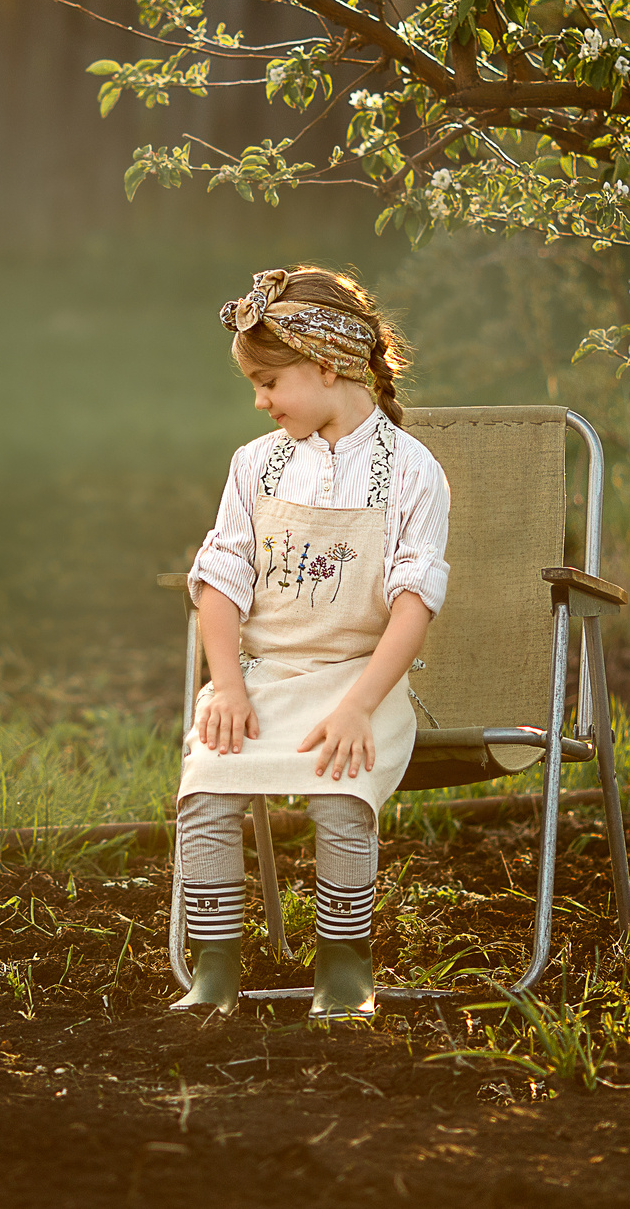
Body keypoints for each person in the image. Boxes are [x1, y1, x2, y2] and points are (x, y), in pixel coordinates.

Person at [173, 265, 450, 1020]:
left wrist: (359, 705)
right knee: (206, 788)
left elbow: (414, 603)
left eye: (268, 382)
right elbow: (220, 581)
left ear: (327, 366)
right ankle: (215, 969)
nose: (259, 401)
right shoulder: (255, 464)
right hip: (262, 677)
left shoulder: (412, 472)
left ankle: (344, 964)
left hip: (361, 682)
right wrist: (228, 686)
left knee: (340, 789)